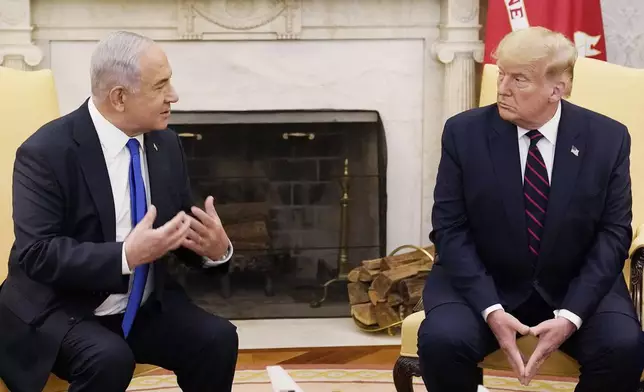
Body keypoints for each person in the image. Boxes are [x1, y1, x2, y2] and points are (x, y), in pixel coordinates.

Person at [0, 31, 239, 392]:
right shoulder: (46, 152)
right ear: (119, 97)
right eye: (160, 86)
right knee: (109, 359)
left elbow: (176, 234)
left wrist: (216, 250)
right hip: (62, 307)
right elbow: (37, 255)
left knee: (218, 339)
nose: (173, 95)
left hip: (140, 306)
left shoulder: (166, 144)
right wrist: (126, 255)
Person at [418, 26, 643, 392]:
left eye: (518, 79)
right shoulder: (464, 133)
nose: (502, 87)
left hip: (574, 283)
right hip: (482, 282)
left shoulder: (608, 138)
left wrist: (571, 316)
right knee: (443, 341)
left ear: (557, 89)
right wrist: (491, 309)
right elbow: (449, 229)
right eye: (501, 73)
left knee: (622, 347)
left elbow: (614, 232)